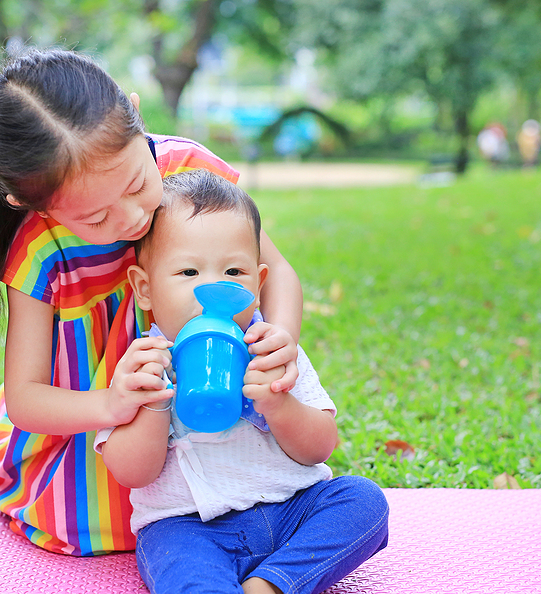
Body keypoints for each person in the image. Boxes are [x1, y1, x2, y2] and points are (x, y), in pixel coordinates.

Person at [0, 48, 303, 556]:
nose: (131, 218)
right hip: (96, 429)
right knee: (124, 521)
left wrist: (281, 336)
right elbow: (25, 399)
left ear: (137, 115)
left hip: (217, 408)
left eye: (137, 183)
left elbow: (279, 273)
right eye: (94, 218)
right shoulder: (42, 250)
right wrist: (111, 404)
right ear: (29, 203)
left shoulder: (190, 173)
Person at [94, 169, 389, 594]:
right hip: (191, 527)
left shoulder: (272, 350)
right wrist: (154, 403)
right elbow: (131, 473)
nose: (213, 289)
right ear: (145, 289)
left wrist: (278, 404)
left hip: (293, 510)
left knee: (364, 502)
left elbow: (320, 448)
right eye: (189, 273)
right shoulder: (140, 364)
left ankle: (271, 583)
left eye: (234, 271)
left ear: (258, 283)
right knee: (182, 568)